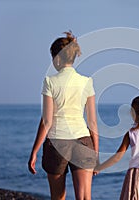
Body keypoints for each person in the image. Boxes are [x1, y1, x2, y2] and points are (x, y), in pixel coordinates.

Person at [28, 31, 99, 200]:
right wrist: (96, 153)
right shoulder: (86, 82)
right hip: (83, 140)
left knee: (58, 197)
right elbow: (92, 122)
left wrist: (34, 151)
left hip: (57, 142)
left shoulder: (50, 82)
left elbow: (46, 120)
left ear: (57, 57)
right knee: (84, 198)